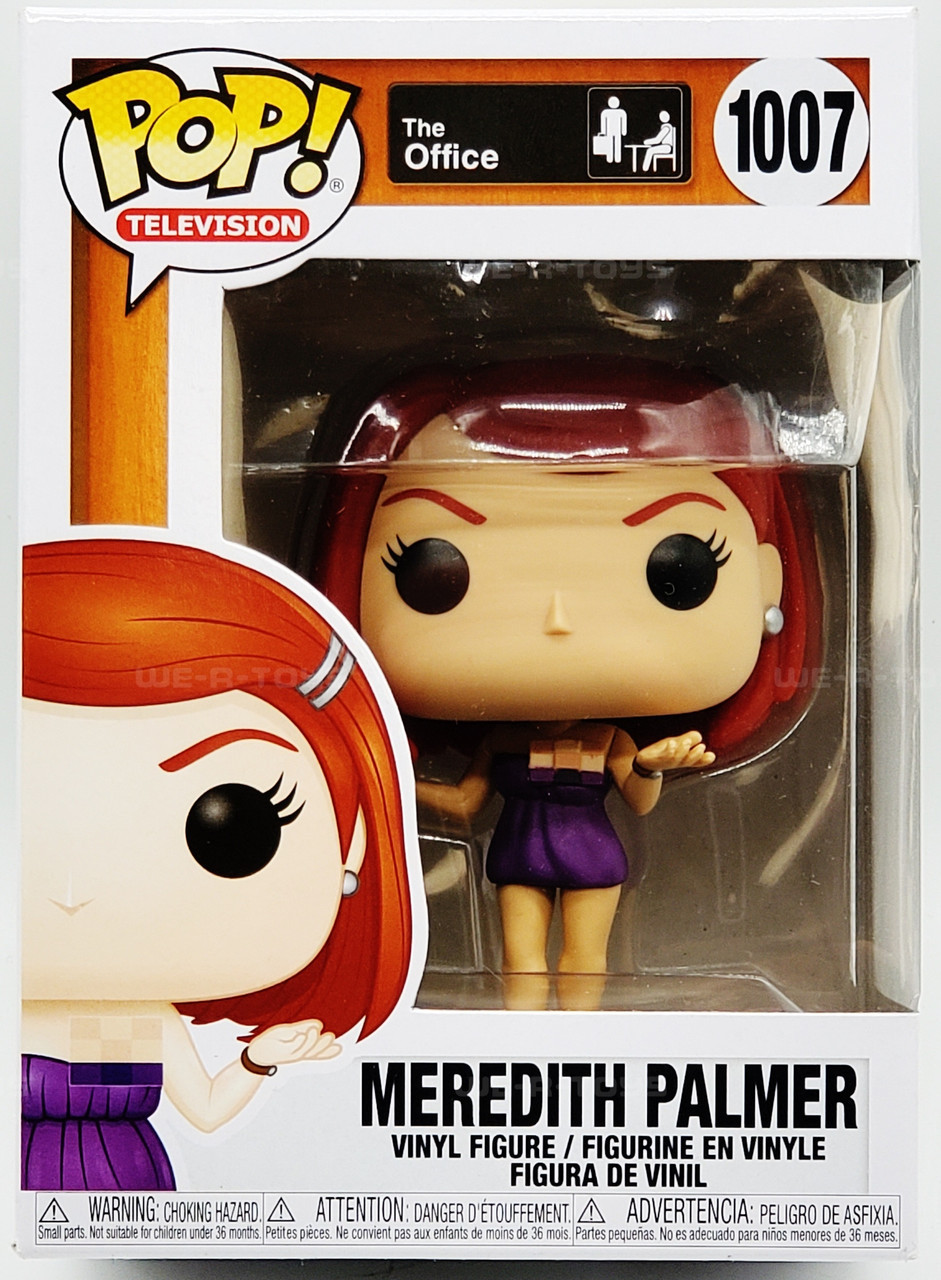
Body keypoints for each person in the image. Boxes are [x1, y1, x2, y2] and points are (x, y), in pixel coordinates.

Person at [308, 356, 810, 1006]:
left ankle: (578, 1043)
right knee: (519, 961)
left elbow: (639, 801)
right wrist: (392, 786)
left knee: (583, 958)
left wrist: (652, 764)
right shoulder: (506, 742)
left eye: (679, 572)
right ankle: (524, 1047)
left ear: (767, 583)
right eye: (435, 572)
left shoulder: (607, 740)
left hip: (592, 855)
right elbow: (466, 803)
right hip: (518, 851)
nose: (557, 618)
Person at [22, 538, 411, 1190]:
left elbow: (203, 1111)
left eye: (234, 828)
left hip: (124, 1187)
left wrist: (258, 1060)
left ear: (353, 845)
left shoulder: (140, 1019)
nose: (73, 893)